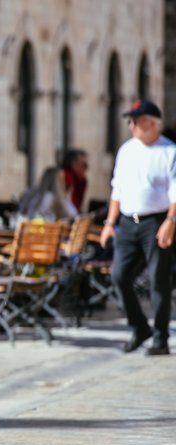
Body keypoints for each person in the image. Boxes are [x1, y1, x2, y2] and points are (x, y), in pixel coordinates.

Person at [100, 99, 176, 356]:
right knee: (119, 276)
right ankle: (139, 326)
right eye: (130, 122)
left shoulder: (169, 151)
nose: (131, 126)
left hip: (156, 222)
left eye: (136, 122)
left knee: (158, 280)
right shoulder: (126, 151)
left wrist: (170, 221)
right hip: (127, 222)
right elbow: (117, 189)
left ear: (151, 123)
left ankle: (160, 338)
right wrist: (109, 223)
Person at [61, 148, 88, 212]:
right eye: (84, 165)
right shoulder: (67, 177)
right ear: (74, 165)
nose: (86, 169)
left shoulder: (82, 181)